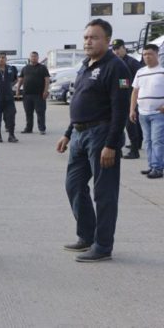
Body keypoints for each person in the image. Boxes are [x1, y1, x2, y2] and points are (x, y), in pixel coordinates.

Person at [56, 18, 131, 263]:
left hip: (101, 135)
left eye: (94, 37)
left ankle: (103, 246)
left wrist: (112, 144)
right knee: (73, 185)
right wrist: (68, 133)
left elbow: (120, 109)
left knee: (104, 192)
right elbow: (80, 99)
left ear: (107, 41)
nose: (88, 41)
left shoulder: (116, 67)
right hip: (79, 134)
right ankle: (86, 235)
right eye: (86, 37)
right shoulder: (85, 65)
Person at [130, 44, 164, 179]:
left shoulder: (162, 71)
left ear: (157, 54)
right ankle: (152, 165)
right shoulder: (140, 72)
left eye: (150, 54)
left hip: (158, 114)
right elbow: (135, 91)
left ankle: (158, 168)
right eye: (144, 54)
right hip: (143, 113)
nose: (147, 57)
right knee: (148, 141)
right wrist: (132, 109)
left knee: (157, 141)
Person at [112, 39, 144, 159]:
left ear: (124, 48)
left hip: (131, 98)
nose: (116, 51)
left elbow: (140, 77)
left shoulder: (131, 62)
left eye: (118, 48)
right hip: (123, 97)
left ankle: (135, 151)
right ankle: (137, 144)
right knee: (134, 123)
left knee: (130, 124)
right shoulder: (117, 62)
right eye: (114, 49)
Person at [17, 51, 50, 134]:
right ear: (30, 58)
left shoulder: (42, 68)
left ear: (38, 58)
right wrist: (18, 89)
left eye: (35, 56)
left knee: (40, 112)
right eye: (32, 56)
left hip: (39, 94)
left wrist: (45, 91)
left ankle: (42, 129)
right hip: (27, 94)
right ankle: (28, 128)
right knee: (28, 112)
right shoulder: (25, 68)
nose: (34, 58)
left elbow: (47, 79)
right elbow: (21, 79)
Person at [0, 53, 19, 143]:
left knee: (11, 116)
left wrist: (9, 86)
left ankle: (11, 135)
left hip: (9, 98)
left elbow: (16, 79)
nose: (1, 59)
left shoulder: (11, 69)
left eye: (3, 58)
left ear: (6, 59)